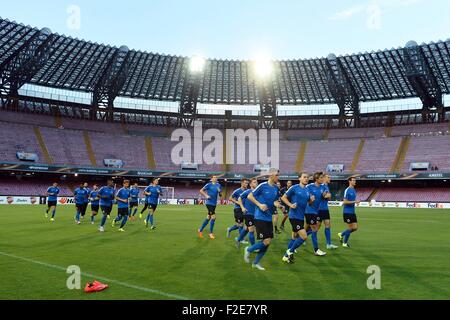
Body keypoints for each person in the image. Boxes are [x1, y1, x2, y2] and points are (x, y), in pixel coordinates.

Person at [244, 169, 283, 271]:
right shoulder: (262, 186)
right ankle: (248, 249)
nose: (278, 177)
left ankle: (256, 263)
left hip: (268, 217)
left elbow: (274, 201)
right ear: (271, 176)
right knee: (266, 241)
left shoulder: (275, 188)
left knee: (267, 242)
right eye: (276, 175)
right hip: (259, 217)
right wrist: (259, 204)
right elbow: (249, 196)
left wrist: (278, 205)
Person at [281, 172, 313, 264]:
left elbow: (308, 203)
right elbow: (283, 197)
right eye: (304, 177)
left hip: (301, 217)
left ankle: (286, 257)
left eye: (307, 177)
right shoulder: (294, 188)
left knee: (295, 236)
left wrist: (311, 201)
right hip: (294, 216)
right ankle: (289, 251)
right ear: (299, 178)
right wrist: (290, 205)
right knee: (304, 236)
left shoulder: (307, 190)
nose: (306, 179)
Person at [305, 172, 328, 256]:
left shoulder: (323, 187)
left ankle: (292, 246)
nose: (323, 179)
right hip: (309, 211)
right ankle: (316, 250)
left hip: (316, 211)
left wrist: (325, 196)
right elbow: (308, 201)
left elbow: (323, 197)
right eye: (321, 177)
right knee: (314, 230)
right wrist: (310, 200)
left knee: (304, 232)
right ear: (317, 179)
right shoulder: (309, 187)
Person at [235, 178, 258, 248]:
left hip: (256, 214)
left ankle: (238, 239)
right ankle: (253, 247)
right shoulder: (248, 191)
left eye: (256, 182)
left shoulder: (258, 192)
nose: (256, 183)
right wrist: (242, 207)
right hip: (248, 213)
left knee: (246, 229)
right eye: (254, 182)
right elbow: (239, 198)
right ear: (250, 184)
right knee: (251, 230)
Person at [198, 175, 222, 240]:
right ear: (211, 179)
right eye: (214, 177)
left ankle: (200, 229)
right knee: (213, 217)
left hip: (214, 204)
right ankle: (211, 233)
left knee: (208, 217)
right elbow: (201, 190)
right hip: (209, 203)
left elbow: (220, 195)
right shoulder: (208, 185)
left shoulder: (219, 185)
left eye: (216, 177)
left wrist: (219, 192)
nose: (215, 178)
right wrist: (206, 195)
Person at [338, 177, 360, 248]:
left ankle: (341, 234)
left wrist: (355, 202)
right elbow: (344, 201)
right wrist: (354, 201)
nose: (355, 182)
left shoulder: (353, 190)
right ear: (349, 181)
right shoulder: (347, 190)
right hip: (347, 212)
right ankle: (344, 243)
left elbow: (352, 200)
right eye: (353, 180)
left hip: (352, 212)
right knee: (350, 228)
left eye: (355, 180)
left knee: (355, 228)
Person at [318, 174, 338, 250]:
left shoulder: (326, 186)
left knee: (328, 226)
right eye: (328, 177)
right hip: (319, 209)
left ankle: (329, 244)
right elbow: (323, 196)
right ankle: (303, 237)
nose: (330, 178)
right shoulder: (322, 186)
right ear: (324, 178)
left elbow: (328, 197)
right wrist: (327, 195)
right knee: (316, 228)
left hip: (325, 209)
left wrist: (328, 196)